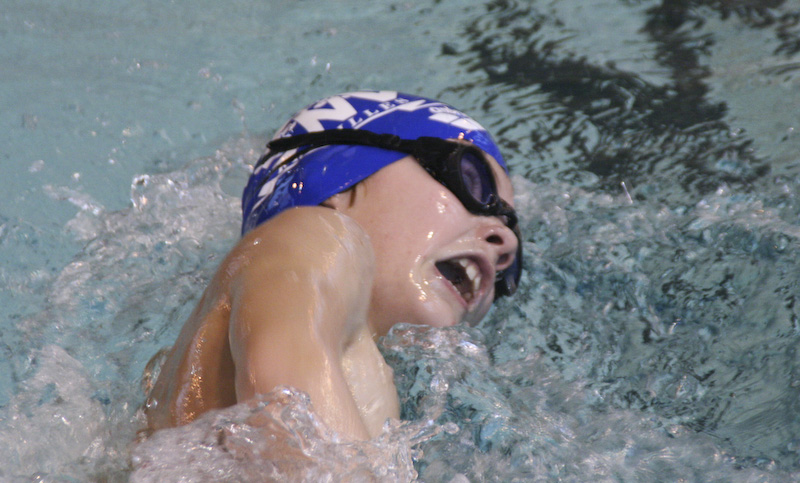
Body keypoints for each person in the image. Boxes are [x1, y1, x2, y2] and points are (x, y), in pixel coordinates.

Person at [144, 91, 522, 440]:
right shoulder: (312, 235)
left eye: (513, 233)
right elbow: (286, 413)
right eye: (475, 183)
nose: (506, 243)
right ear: (338, 184)